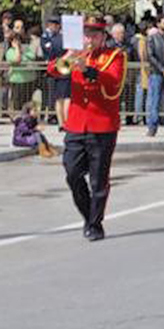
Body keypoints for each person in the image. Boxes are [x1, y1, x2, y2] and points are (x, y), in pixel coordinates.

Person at [46, 17, 126, 241]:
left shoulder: (115, 56)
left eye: (95, 35)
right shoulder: (77, 53)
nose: (90, 39)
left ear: (103, 37)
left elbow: (113, 82)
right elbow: (53, 70)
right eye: (87, 35)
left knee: (98, 180)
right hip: (76, 124)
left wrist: (89, 69)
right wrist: (68, 57)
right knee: (72, 173)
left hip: (102, 125)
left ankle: (94, 224)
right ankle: (90, 213)